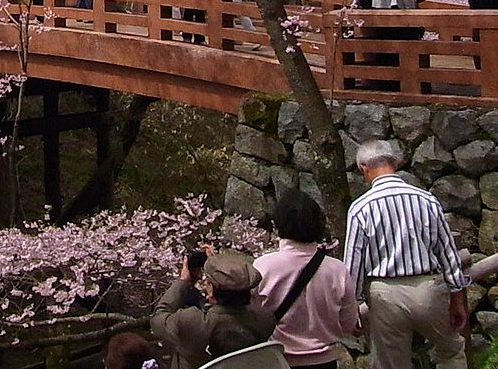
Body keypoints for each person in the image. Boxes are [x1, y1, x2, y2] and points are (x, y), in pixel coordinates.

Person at [342, 141, 470, 369]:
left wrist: (353, 307)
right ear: (395, 162)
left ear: (364, 168)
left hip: (384, 295)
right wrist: (457, 298)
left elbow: (353, 265)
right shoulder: (426, 199)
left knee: (390, 364)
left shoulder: (360, 209)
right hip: (428, 288)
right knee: (451, 351)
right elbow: (448, 252)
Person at [254, 190, 358, 369]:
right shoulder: (337, 270)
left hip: (278, 360)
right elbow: (348, 324)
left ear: (277, 223)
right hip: (324, 361)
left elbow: (252, 318)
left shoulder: (263, 267)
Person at [150, 252, 276, 369]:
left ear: (210, 290)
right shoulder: (265, 319)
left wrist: (183, 282)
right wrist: (224, 266)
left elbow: (158, 318)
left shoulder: (192, 322)